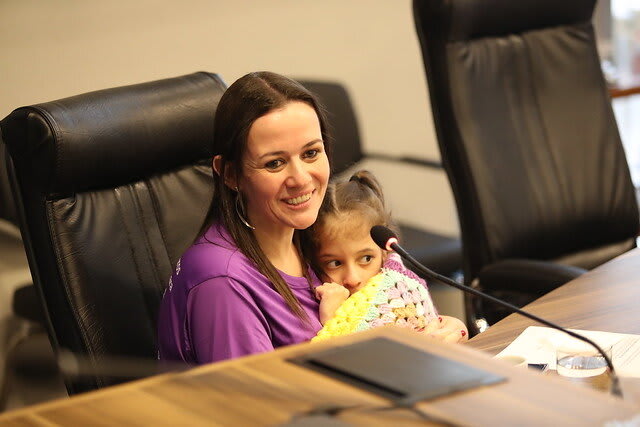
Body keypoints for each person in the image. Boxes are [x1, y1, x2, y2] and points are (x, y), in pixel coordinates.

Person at [157, 71, 332, 364]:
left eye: (311, 153)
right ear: (230, 174)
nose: (301, 179)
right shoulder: (222, 283)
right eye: (275, 163)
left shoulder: (316, 237)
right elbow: (253, 393)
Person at [305, 170, 468, 344]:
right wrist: (332, 319)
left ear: (385, 252)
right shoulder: (316, 300)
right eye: (335, 263)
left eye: (366, 259)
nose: (352, 279)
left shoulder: (401, 289)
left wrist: (457, 330)